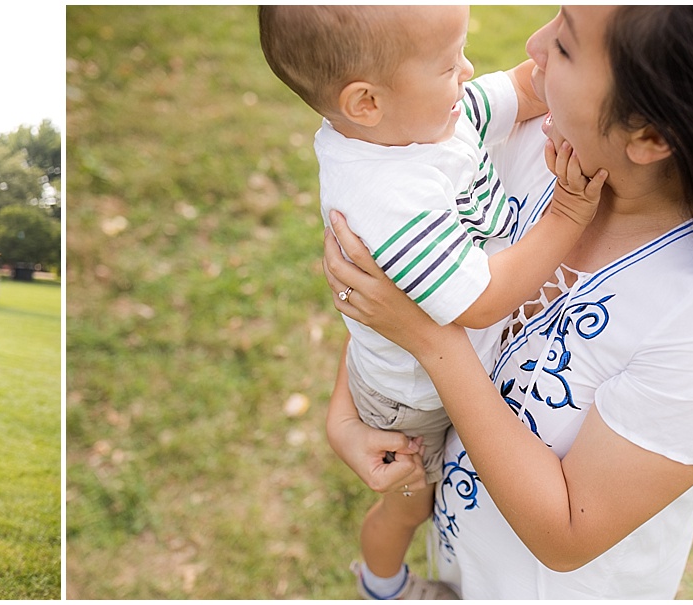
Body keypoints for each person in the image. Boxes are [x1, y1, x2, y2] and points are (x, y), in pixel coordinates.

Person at [321, 6, 693, 598]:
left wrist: (431, 339)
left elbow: (568, 534)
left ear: (652, 134)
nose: (534, 44)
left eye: (568, 46)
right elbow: (404, 283)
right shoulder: (531, 141)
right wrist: (347, 416)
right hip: (461, 560)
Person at [257, 6, 600, 599]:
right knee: (412, 502)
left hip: (420, 365)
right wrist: (567, 214)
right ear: (366, 102)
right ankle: (385, 584)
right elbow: (483, 301)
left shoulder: (424, 119)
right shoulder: (390, 194)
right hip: (406, 401)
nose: (468, 70)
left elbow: (520, 86)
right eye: (448, 64)